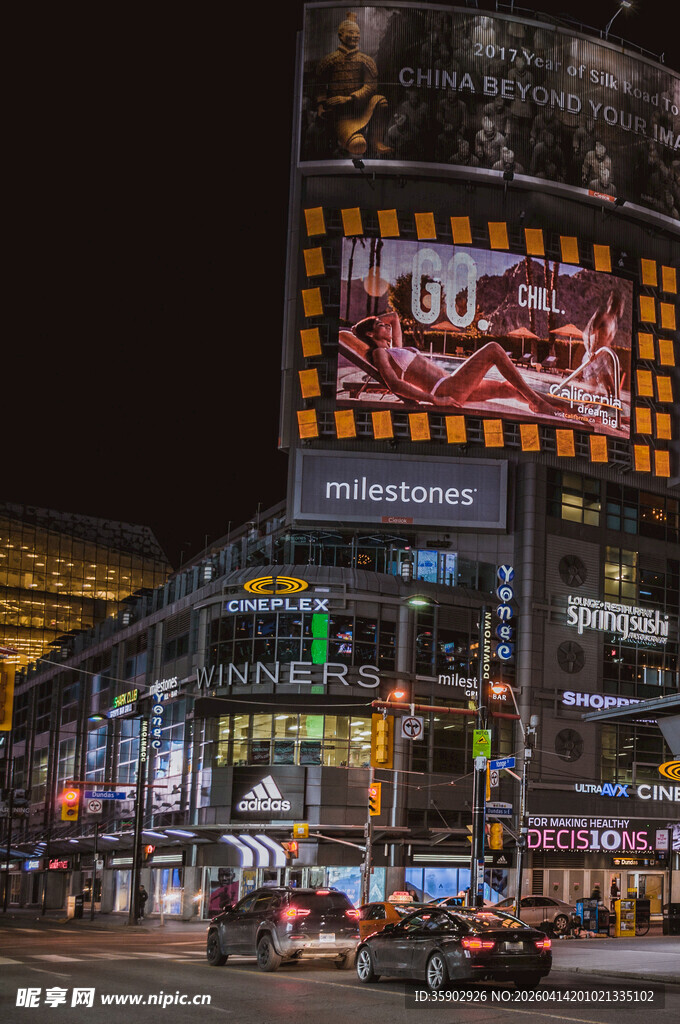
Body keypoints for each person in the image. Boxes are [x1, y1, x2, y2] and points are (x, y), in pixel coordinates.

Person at [350, 310, 564, 417]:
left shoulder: (394, 348)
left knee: (506, 388)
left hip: (452, 386)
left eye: (384, 324)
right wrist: (434, 400)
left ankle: (565, 407)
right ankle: (539, 403)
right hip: (445, 389)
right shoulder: (379, 353)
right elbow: (394, 385)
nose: (386, 326)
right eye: (380, 326)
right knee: (493, 349)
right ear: (370, 333)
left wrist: (372, 322)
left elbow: (394, 316)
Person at [315, 11, 390, 158]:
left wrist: (349, 98)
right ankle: (353, 141)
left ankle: (376, 140)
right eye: (351, 32)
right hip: (341, 116)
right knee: (358, 146)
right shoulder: (330, 60)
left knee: (381, 101)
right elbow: (319, 85)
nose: (355, 36)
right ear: (341, 35)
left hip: (359, 110)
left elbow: (370, 86)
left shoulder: (364, 60)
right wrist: (321, 104)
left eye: (357, 33)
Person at [579, 291, 625, 395]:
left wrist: (617, 362)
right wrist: (590, 351)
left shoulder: (614, 322)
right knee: (591, 392)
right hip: (593, 356)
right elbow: (590, 332)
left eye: (617, 304)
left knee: (612, 392)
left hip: (603, 359)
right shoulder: (602, 315)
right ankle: (582, 409)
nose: (614, 307)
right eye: (613, 303)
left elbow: (608, 343)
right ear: (609, 303)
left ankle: (604, 409)